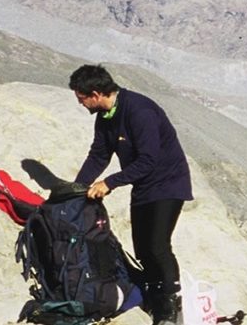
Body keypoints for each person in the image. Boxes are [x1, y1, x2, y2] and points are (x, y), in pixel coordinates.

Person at [71, 64, 193, 325]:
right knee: (143, 249)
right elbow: (99, 155)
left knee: (158, 246)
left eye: (82, 99)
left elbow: (149, 159)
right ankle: (152, 298)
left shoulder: (140, 111)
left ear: (95, 93)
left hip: (168, 184)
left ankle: (170, 307)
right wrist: (77, 188)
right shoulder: (104, 118)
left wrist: (110, 182)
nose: (81, 104)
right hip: (144, 187)